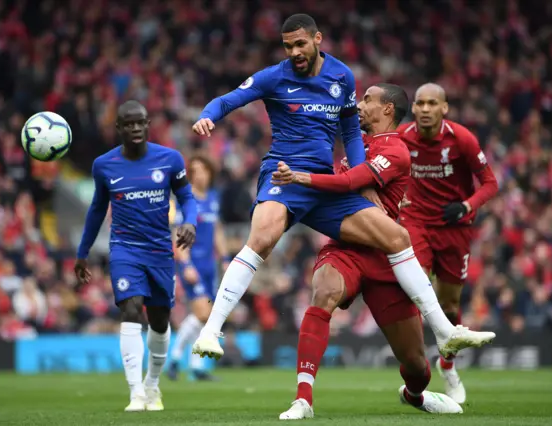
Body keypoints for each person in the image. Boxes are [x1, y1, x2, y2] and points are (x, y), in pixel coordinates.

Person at [191, 14, 494, 361]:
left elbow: (351, 132)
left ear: (317, 39)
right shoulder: (274, 77)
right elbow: (229, 99)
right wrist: (208, 116)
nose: (294, 52)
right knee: (260, 240)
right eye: (288, 46)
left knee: (397, 238)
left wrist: (365, 182)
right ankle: (210, 332)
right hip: (284, 175)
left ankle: (444, 332)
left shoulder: (341, 76)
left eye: (300, 44)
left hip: (324, 183)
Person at [273, 84, 463, 420]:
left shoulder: (397, 149)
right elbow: (345, 177)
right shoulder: (355, 142)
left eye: (367, 100)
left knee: (417, 367)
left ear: (388, 109)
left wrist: (303, 178)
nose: (359, 105)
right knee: (324, 291)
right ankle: (303, 399)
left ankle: (414, 395)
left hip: (386, 257)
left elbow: (348, 182)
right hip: (346, 245)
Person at [74, 100, 197, 412]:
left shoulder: (169, 159)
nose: (136, 128)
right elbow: (97, 210)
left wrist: (189, 222)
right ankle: (135, 393)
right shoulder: (104, 165)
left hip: (159, 251)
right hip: (125, 250)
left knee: (159, 321)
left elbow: (186, 197)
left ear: (148, 124)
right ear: (119, 128)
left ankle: (152, 385)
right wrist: (83, 252)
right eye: (128, 124)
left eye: (140, 122)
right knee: (130, 309)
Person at [397, 83, 499, 403]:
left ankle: (447, 365)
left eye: (432, 103)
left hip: (456, 226)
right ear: (413, 109)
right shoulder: (402, 137)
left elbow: (490, 183)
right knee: (416, 287)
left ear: (444, 108)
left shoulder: (461, 139)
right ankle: (416, 367)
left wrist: (467, 206)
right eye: (420, 103)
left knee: (450, 305)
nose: (425, 109)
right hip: (417, 223)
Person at [168, 155, 230, 381]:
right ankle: (175, 359)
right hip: (192, 264)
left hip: (209, 265)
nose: (200, 174)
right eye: (195, 170)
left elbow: (218, 230)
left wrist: (224, 258)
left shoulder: (213, 197)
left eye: (204, 169)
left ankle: (194, 366)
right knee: (204, 313)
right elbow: (179, 235)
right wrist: (185, 264)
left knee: (205, 316)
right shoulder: (187, 199)